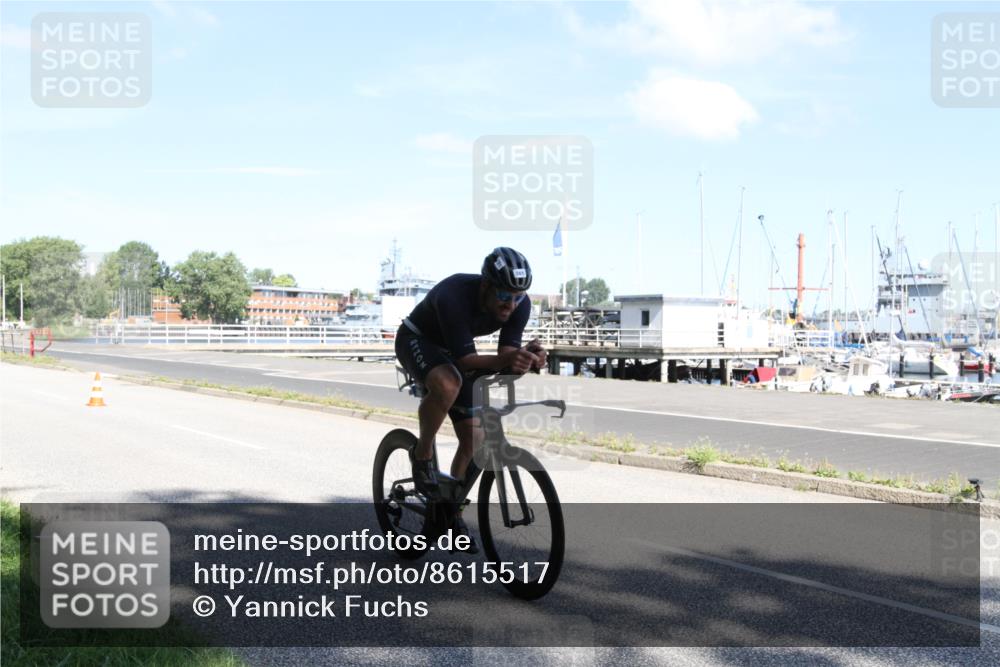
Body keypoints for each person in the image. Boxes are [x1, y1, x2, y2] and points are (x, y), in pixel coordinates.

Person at [394, 247, 547, 548]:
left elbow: (505, 356)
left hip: (453, 352)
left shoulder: (520, 305)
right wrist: (510, 359)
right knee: (449, 383)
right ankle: (421, 455)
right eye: (504, 296)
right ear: (486, 285)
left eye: (518, 297)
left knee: (474, 439)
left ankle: (449, 512)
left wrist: (526, 360)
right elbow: (466, 362)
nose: (511, 305)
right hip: (417, 340)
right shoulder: (454, 295)